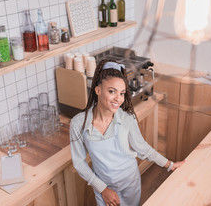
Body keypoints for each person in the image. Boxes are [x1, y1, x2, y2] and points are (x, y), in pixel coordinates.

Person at [70, 59, 185, 206]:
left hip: (130, 182)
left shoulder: (127, 119)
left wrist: (170, 165)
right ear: (98, 90)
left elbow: (143, 149)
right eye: (112, 91)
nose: (118, 99)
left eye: (122, 93)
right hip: (103, 186)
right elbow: (79, 163)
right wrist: (103, 189)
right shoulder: (78, 124)